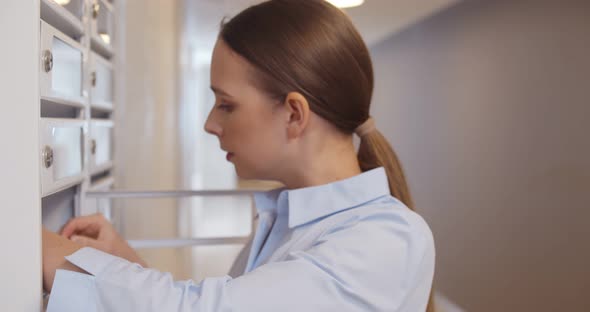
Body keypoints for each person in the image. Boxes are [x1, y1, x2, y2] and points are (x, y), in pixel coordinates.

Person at [42, 0, 435, 311]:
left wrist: (55, 254)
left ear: (294, 114)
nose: (210, 124)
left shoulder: (386, 241)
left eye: (226, 105)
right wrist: (119, 261)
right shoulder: (287, 220)